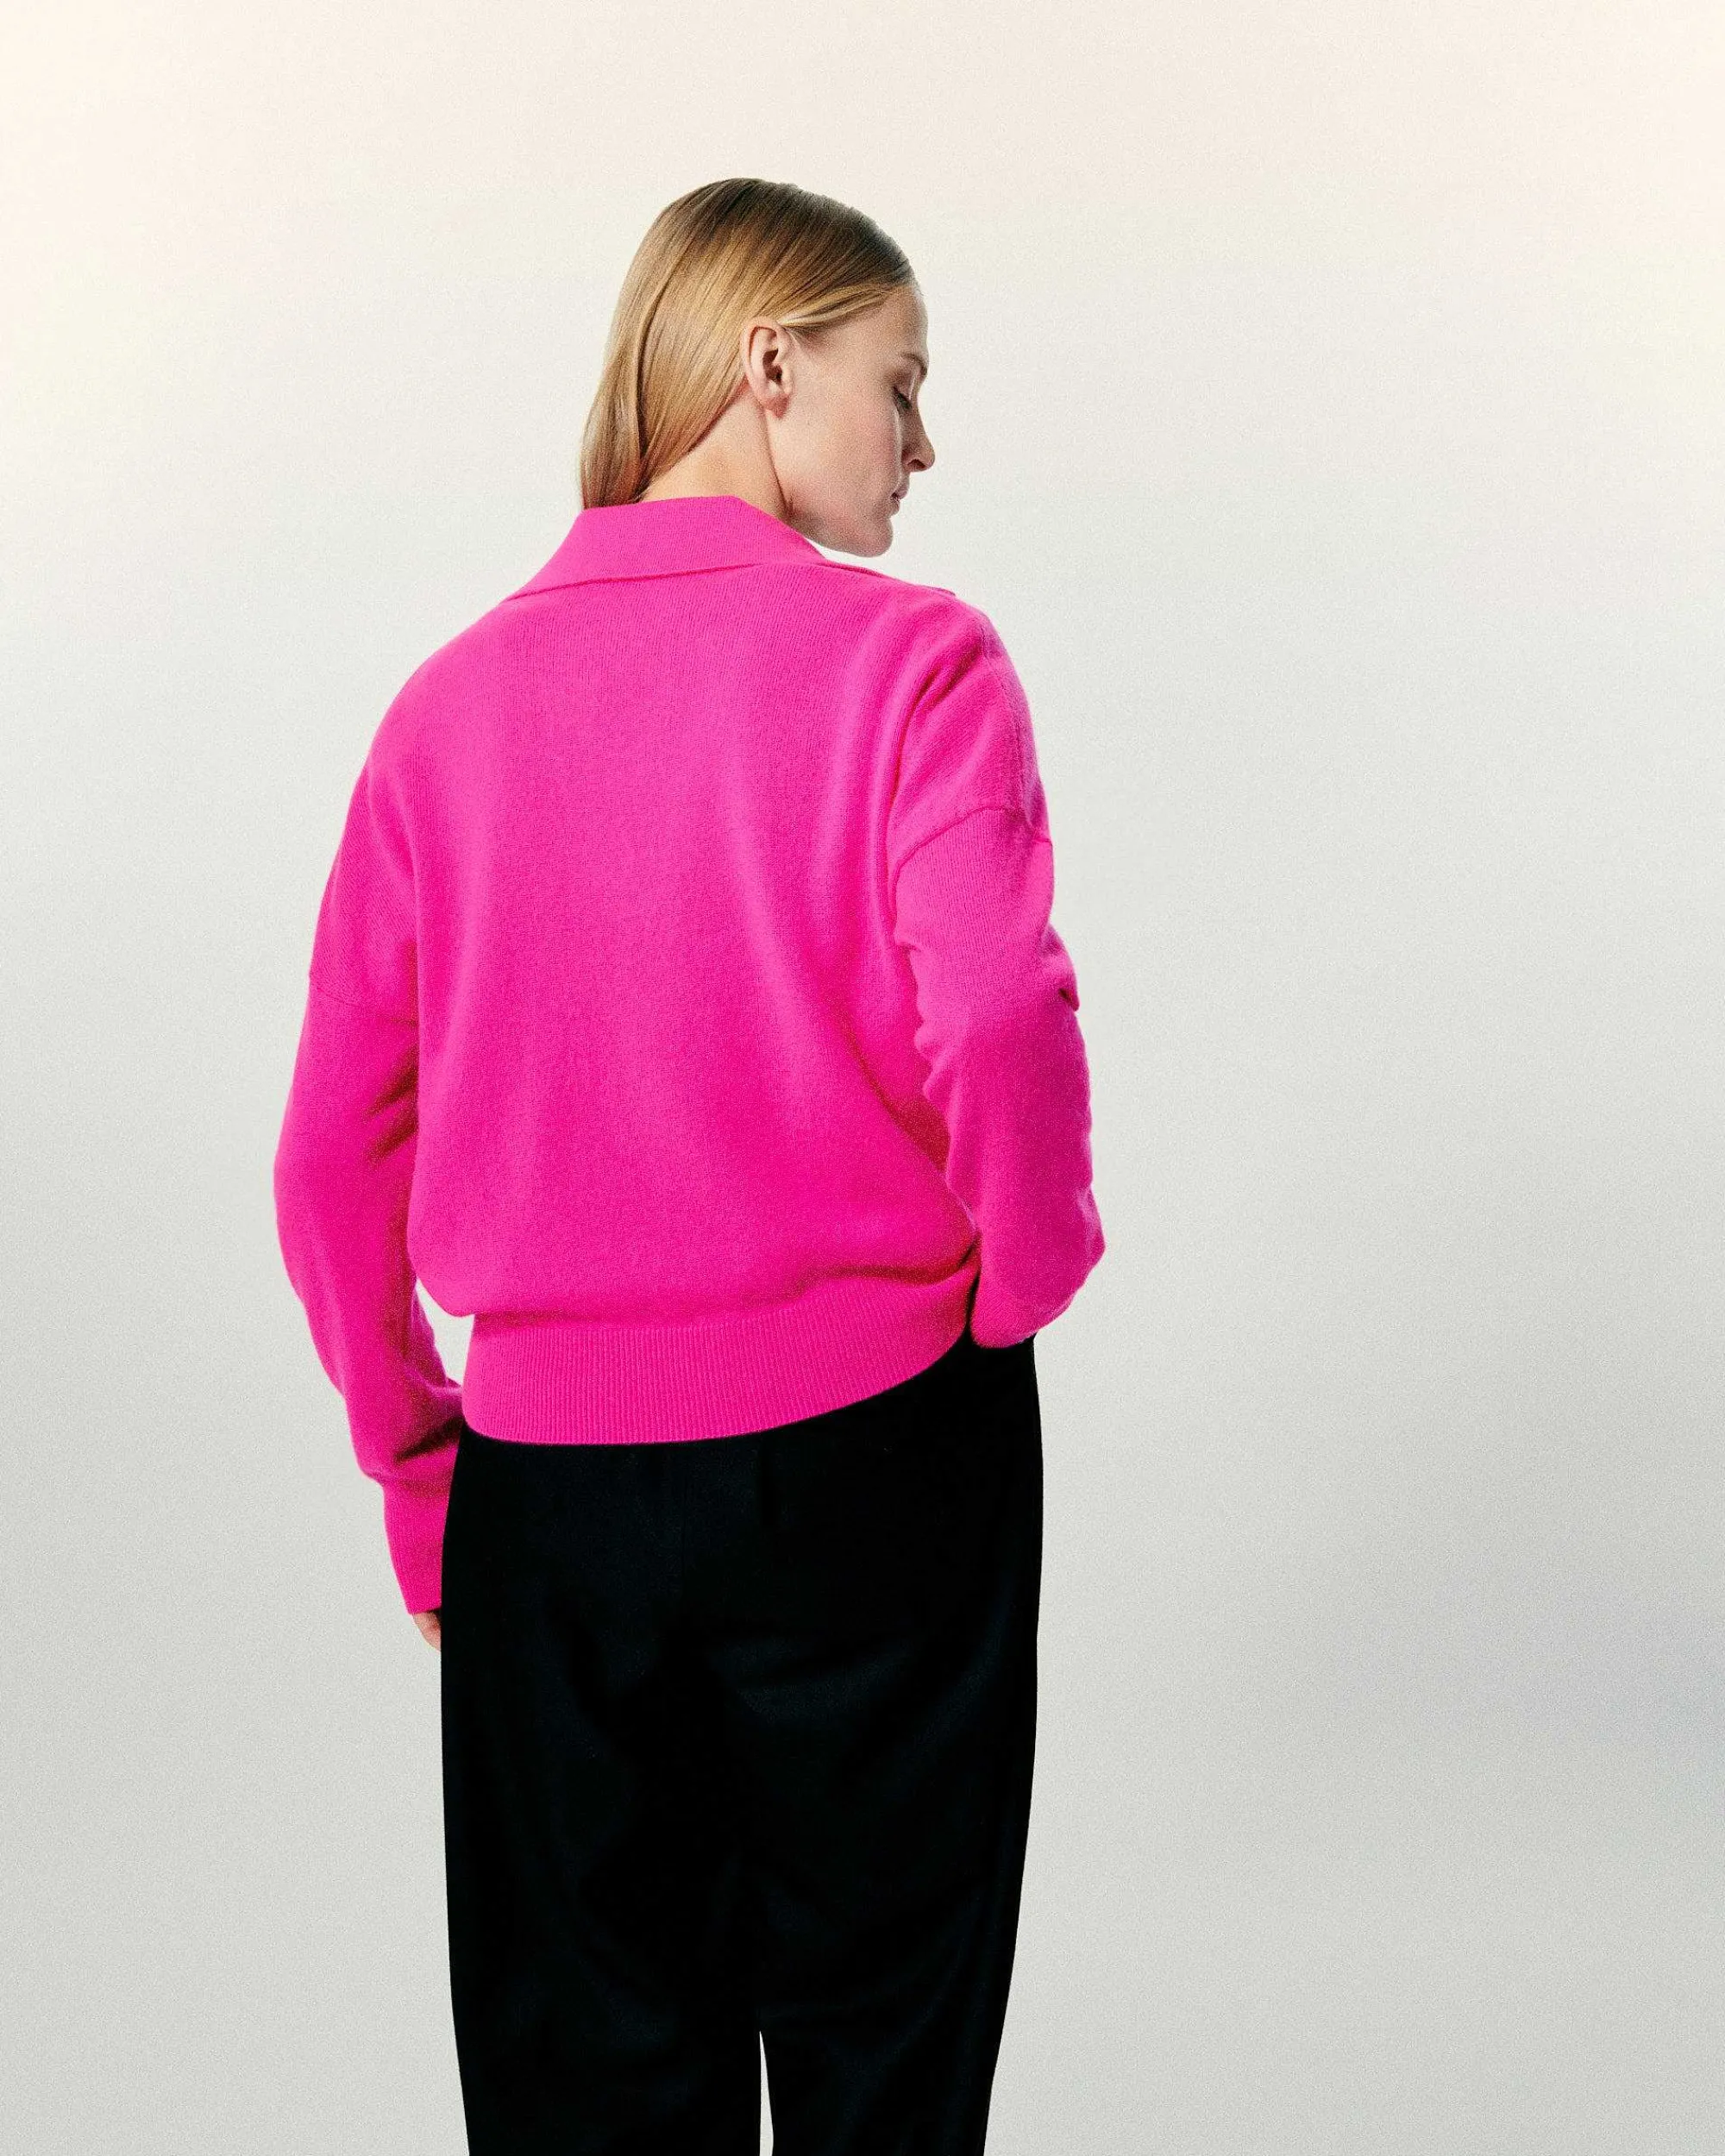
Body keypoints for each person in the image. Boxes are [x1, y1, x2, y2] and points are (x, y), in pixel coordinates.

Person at [273, 176, 1105, 2156]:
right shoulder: (917, 667)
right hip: (880, 1452)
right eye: (900, 381)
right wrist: (1017, 1284)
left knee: (586, 2092)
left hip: (548, 1508)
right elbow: (996, 1011)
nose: (921, 439)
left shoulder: (443, 712)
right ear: (770, 362)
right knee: (882, 2067)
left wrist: (423, 1479)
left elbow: (326, 1158)